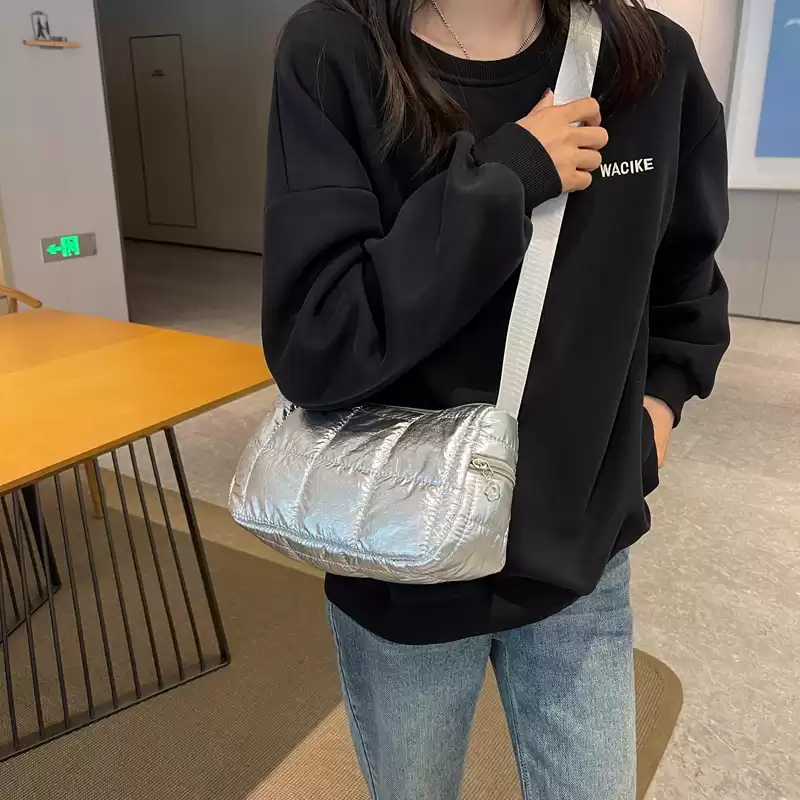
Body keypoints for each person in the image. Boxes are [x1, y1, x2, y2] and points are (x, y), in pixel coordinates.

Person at [261, 0, 730, 797]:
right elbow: (319, 340)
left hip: (580, 552)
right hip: (400, 556)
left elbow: (684, 271)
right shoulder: (336, 49)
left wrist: (661, 401)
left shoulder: (648, 62)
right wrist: (507, 178)